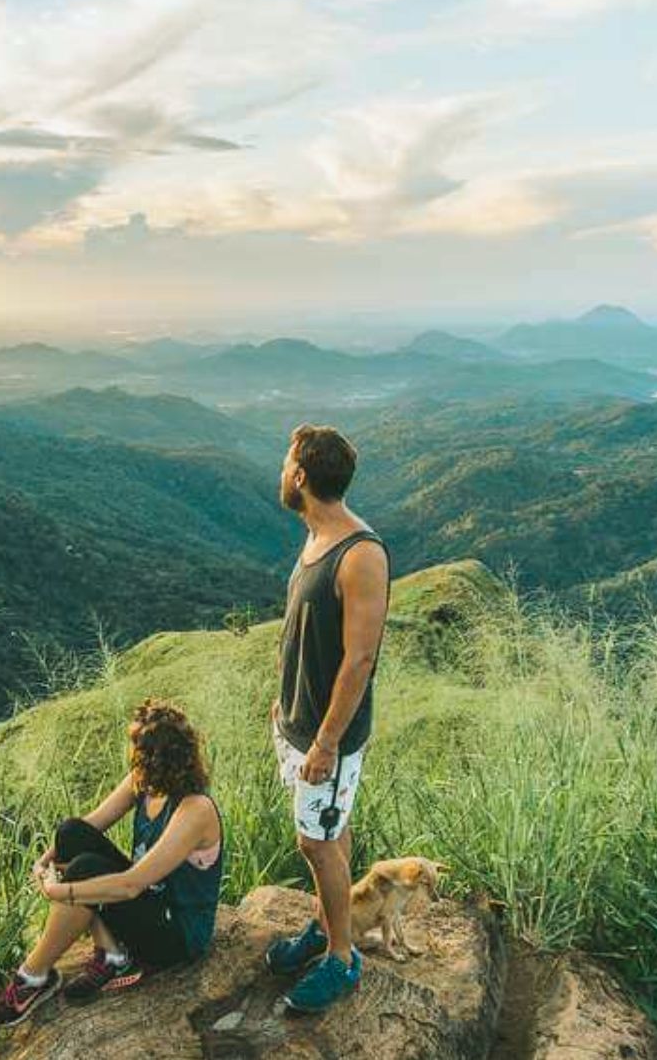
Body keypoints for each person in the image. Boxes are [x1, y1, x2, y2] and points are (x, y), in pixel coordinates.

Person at [0, 699, 226, 1027]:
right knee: (70, 833)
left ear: (157, 760)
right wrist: (44, 861)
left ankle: (32, 976)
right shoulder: (144, 782)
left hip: (177, 933)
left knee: (85, 869)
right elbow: (91, 824)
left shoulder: (195, 809)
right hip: (146, 903)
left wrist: (60, 891)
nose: (134, 758)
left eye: (139, 752)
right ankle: (112, 952)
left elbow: (130, 885)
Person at [263, 424, 390, 1015]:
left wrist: (326, 742)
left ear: (301, 476)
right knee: (332, 831)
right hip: (299, 723)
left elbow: (360, 658)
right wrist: (283, 702)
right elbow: (303, 632)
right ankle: (324, 924)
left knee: (314, 842)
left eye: (285, 464)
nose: (282, 472)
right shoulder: (317, 536)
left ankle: (341, 958)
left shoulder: (360, 554)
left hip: (326, 737)